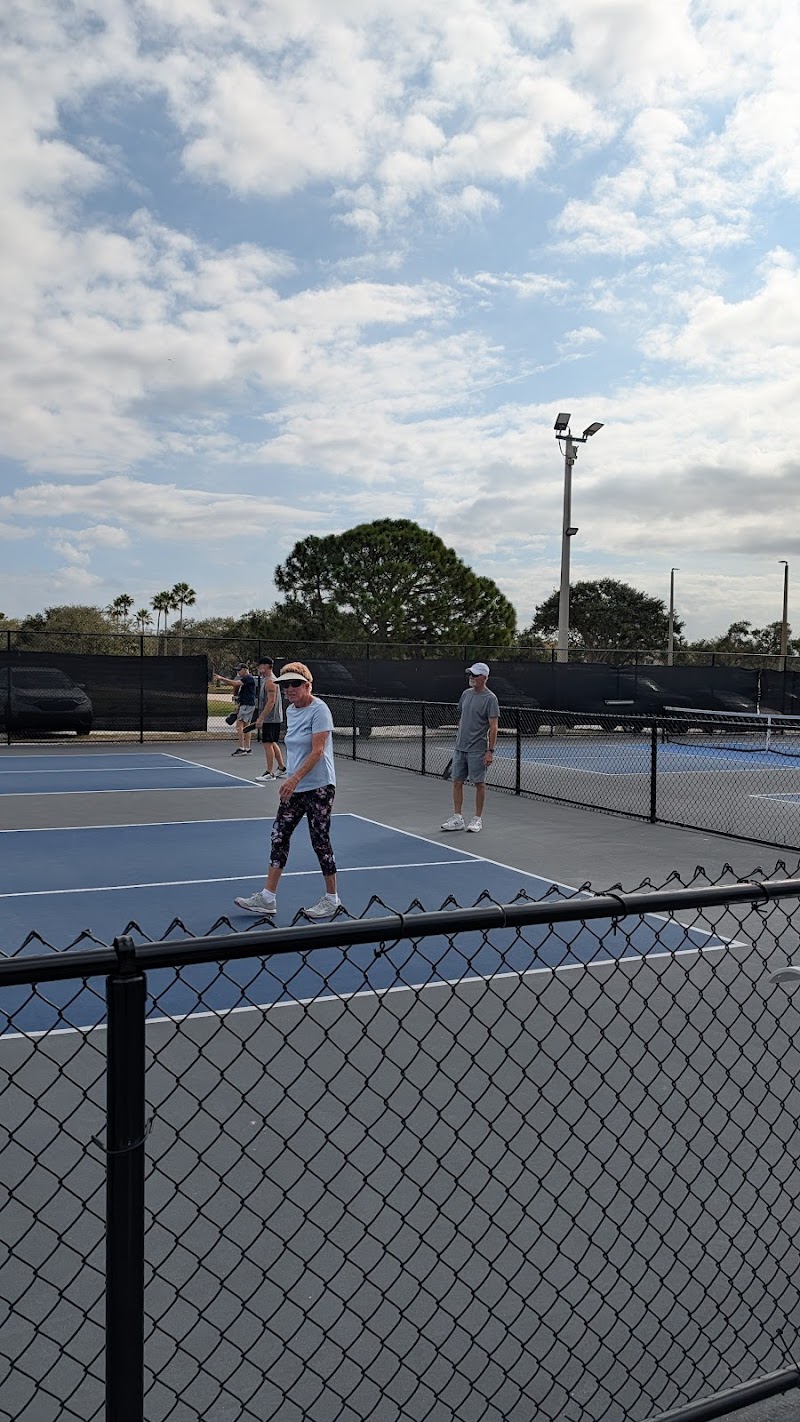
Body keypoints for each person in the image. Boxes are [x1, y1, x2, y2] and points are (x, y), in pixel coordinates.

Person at [234, 661, 342, 920]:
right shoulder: (292, 711)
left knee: (320, 841)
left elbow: (317, 751)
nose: (290, 688)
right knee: (279, 836)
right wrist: (291, 780)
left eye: (295, 684)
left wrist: (293, 779)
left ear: (308, 685)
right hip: (296, 787)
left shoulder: (320, 710)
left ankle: (332, 899)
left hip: (319, 787)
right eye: (285, 684)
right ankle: (267, 898)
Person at [441, 661, 500, 834]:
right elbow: (463, 717)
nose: (471, 677)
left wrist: (490, 751)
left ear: (484, 677)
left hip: (477, 749)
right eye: (471, 674)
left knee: (479, 783)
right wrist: (459, 738)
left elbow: (494, 727)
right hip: (460, 748)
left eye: (475, 675)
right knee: (457, 782)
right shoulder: (466, 694)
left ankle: (477, 819)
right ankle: (457, 818)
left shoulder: (490, 699)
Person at [253, 657, 287, 781]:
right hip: (272, 718)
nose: (258, 668)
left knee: (267, 743)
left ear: (266, 666)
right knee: (272, 742)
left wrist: (261, 718)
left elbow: (271, 701)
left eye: (259, 665)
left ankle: (269, 773)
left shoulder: (270, 682)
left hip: (271, 719)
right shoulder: (267, 680)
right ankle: (282, 768)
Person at [215, 664, 257, 755]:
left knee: (239, 726)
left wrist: (221, 678)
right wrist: (239, 705)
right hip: (246, 704)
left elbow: (235, 683)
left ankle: (242, 748)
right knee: (246, 726)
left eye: (239, 670)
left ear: (245, 669)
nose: (238, 672)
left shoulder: (248, 678)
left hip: (247, 705)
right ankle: (247, 748)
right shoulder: (246, 679)